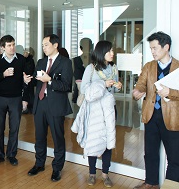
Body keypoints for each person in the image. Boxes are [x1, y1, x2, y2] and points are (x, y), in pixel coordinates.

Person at [132, 32, 179, 189]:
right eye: (151, 48)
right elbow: (141, 84)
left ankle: (170, 186)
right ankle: (151, 183)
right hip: (151, 115)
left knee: (174, 157)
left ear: (166, 47)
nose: (152, 51)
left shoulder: (178, 67)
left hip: (172, 118)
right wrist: (138, 91)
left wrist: (170, 93)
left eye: (155, 48)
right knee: (150, 153)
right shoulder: (149, 66)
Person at [72, 40, 122, 187]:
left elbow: (113, 90)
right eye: (109, 51)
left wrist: (118, 86)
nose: (112, 54)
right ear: (101, 53)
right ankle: (92, 173)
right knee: (92, 141)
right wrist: (103, 84)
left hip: (108, 110)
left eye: (112, 51)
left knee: (108, 140)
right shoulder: (91, 68)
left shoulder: (114, 68)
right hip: (93, 111)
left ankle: (105, 174)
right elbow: (84, 90)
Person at [27, 34, 72, 182]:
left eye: (46, 45)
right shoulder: (41, 62)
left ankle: (57, 168)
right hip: (40, 103)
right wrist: (28, 80)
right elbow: (35, 80)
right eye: (42, 45)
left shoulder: (65, 63)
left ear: (55, 45)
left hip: (56, 105)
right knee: (39, 136)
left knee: (58, 138)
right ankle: (39, 164)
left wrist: (50, 81)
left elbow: (67, 86)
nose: (43, 48)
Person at [0, 35, 31, 166]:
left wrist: (25, 97)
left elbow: (28, 80)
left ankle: (11, 154)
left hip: (16, 98)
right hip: (0, 98)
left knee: (14, 128)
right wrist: (3, 74)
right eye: (9, 45)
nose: (12, 47)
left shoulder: (22, 60)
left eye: (13, 44)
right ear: (3, 48)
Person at [22, 47, 35, 114]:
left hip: (29, 80)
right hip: (28, 80)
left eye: (25, 51)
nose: (24, 53)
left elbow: (29, 70)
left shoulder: (29, 60)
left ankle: (29, 108)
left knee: (29, 94)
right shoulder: (27, 60)